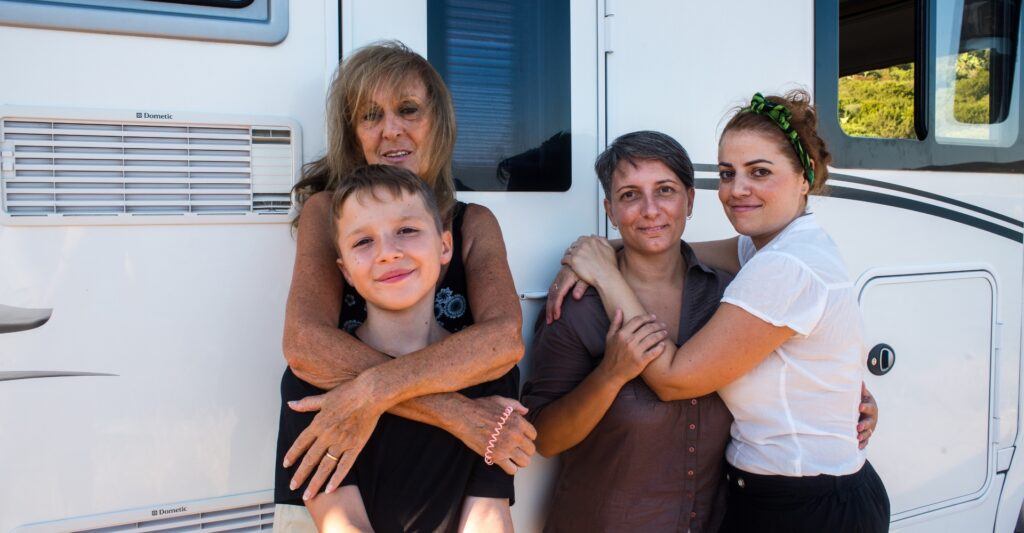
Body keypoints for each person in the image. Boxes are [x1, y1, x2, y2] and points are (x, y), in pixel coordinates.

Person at [555, 91, 890, 532]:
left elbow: (674, 379)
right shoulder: (769, 246)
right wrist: (602, 250)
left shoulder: (786, 266)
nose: (737, 190)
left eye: (760, 172)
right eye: (728, 174)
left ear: (804, 179)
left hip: (806, 507)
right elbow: (676, 247)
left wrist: (607, 276)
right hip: (777, 494)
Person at [273, 41, 534, 531]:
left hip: (443, 474)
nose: (391, 128)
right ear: (354, 134)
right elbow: (305, 345)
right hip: (343, 460)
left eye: (408, 110)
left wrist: (370, 389)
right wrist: (457, 414)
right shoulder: (326, 212)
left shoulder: (473, 221)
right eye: (371, 115)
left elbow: (502, 340)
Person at [522, 131, 734, 532]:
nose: (650, 210)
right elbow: (544, 439)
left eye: (665, 191)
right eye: (630, 195)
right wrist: (610, 376)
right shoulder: (576, 305)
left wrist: (849, 404)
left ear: (689, 201)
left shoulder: (726, 295)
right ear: (611, 210)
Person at [301, 164, 514, 531]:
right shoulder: (314, 378)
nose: (387, 252)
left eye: (406, 230)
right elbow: (341, 522)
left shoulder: (490, 372)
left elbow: (488, 515)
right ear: (346, 271)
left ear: (445, 245)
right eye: (363, 241)